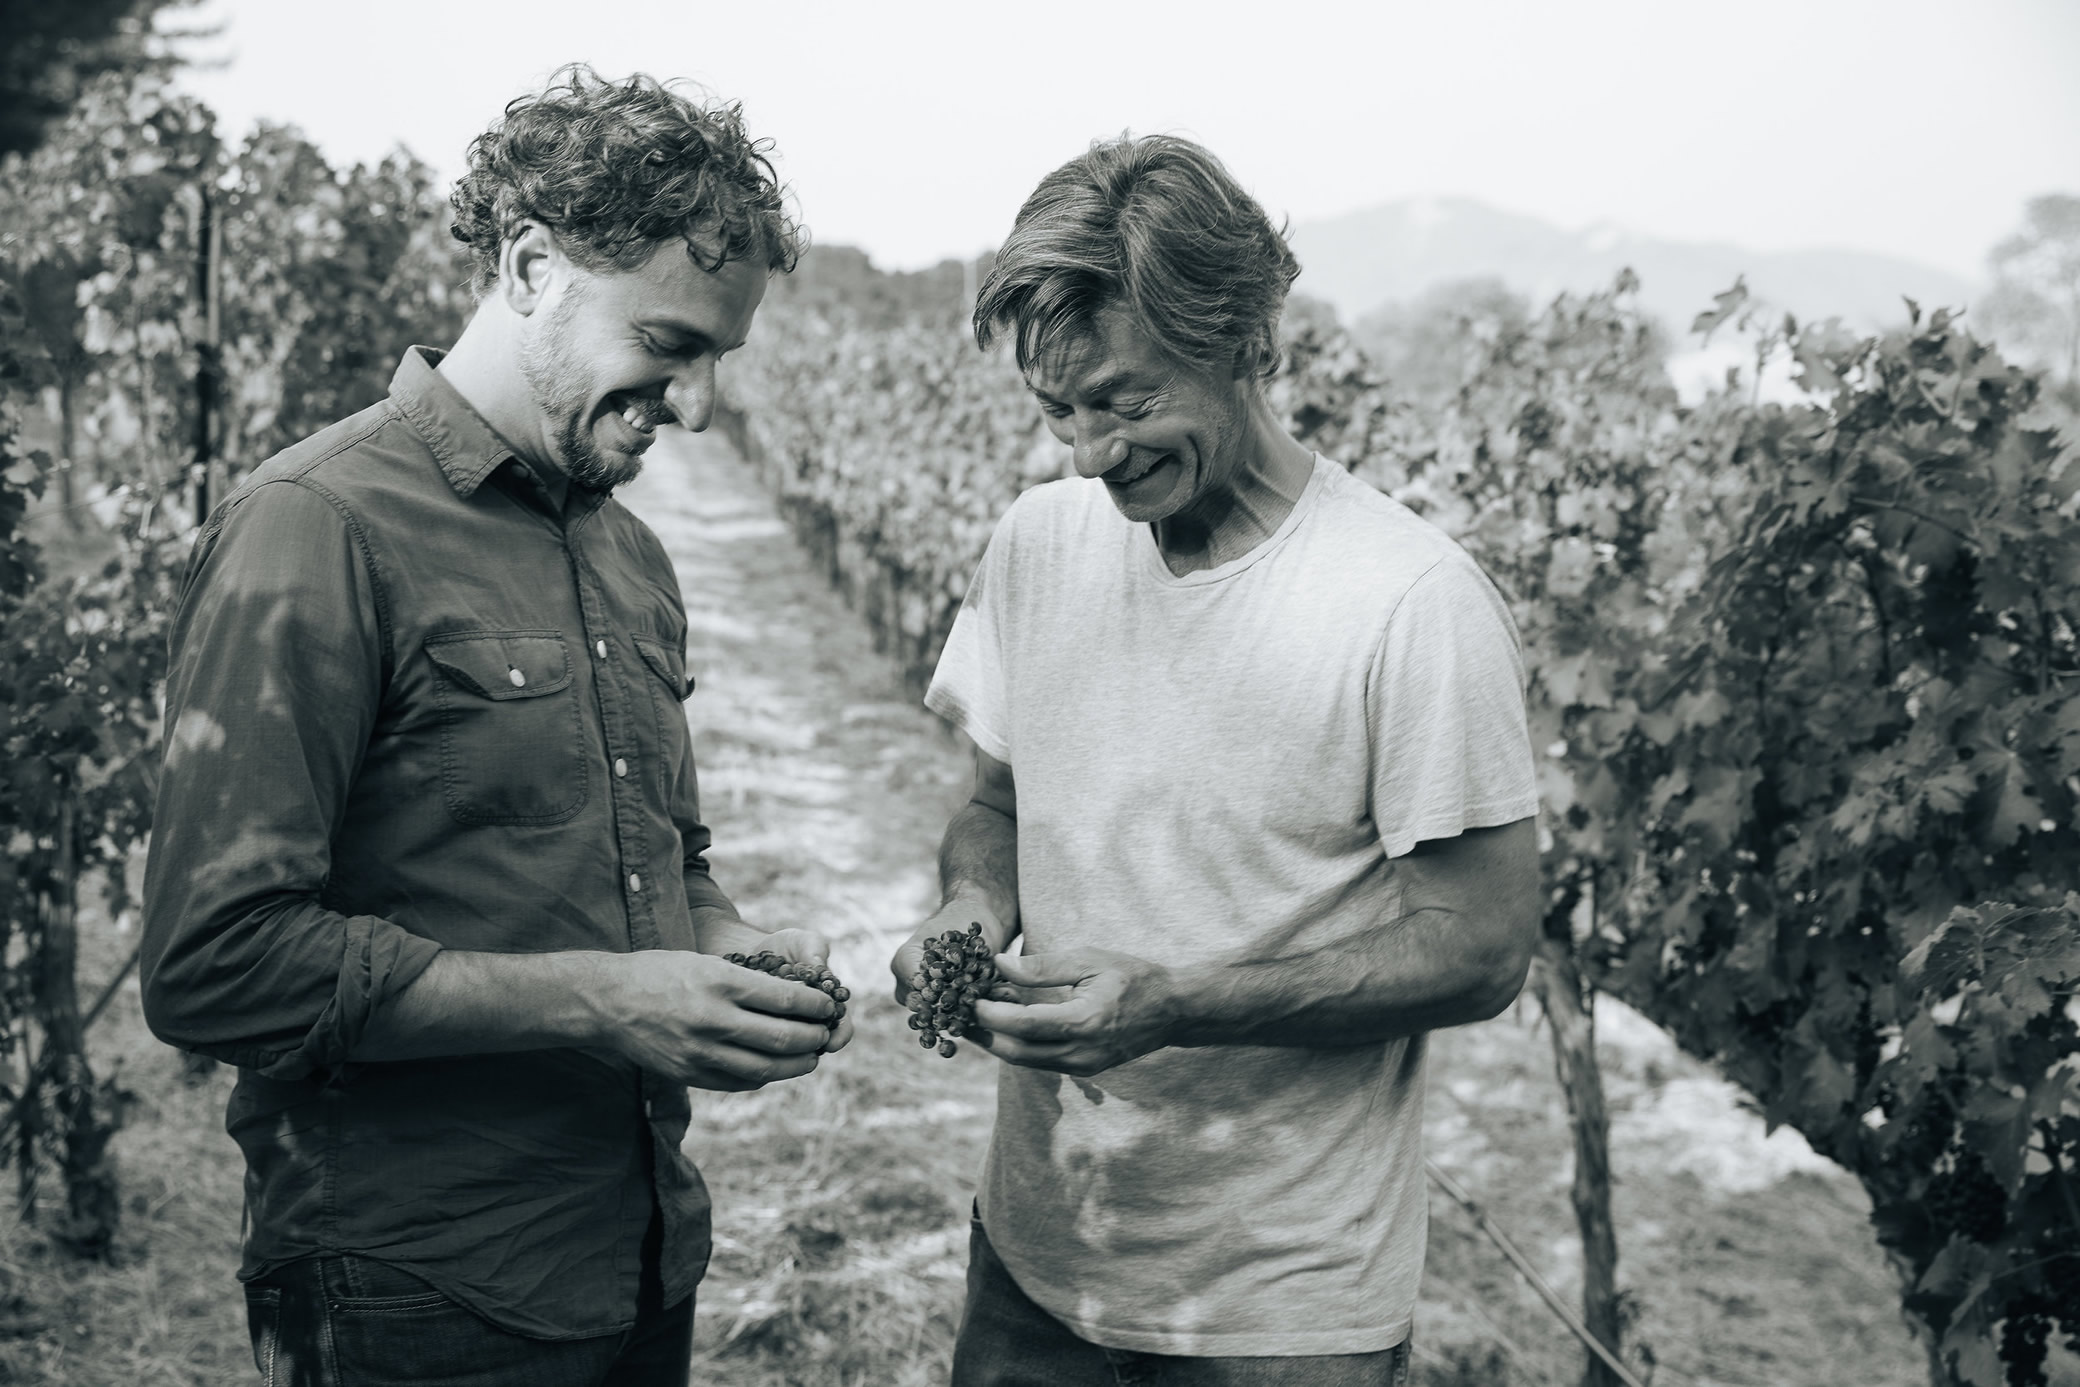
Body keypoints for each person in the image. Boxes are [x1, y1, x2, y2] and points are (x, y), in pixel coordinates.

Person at [140, 67, 845, 1387]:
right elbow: (211, 963)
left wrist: (729, 950)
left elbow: (665, 864)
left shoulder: (632, 557)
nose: (695, 406)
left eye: (718, 359)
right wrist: (609, 1000)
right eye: (671, 344)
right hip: (413, 1290)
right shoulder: (318, 524)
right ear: (529, 265)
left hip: (638, 1257)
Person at [893, 134, 1543, 1386]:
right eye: (1059, 410)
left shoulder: (1407, 601)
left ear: (1248, 339)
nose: (1088, 450)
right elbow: (994, 805)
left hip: (1279, 1316)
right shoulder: (1038, 542)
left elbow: (1479, 949)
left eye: (1128, 401)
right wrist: (972, 907)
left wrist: (1171, 1005)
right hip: (1036, 1255)